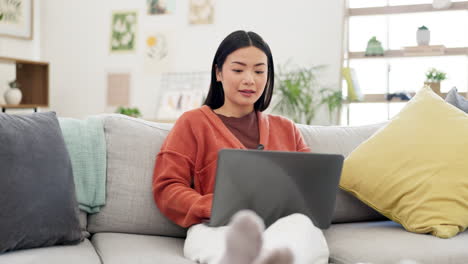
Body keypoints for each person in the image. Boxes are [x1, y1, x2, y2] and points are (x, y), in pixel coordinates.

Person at [153, 30, 329, 264]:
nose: (250, 79)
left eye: (259, 71)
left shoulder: (287, 129)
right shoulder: (192, 123)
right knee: (219, 240)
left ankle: (266, 258)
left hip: (280, 226)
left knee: (304, 228)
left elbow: (310, 189)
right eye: (238, 70)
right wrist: (213, 206)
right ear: (218, 73)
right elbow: (167, 188)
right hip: (218, 226)